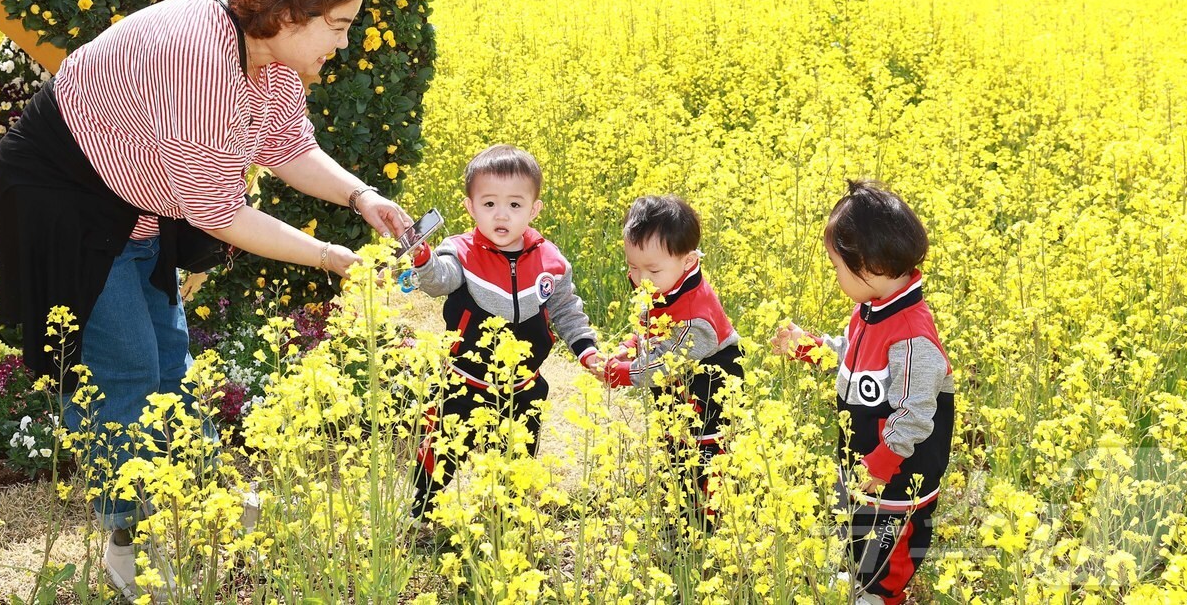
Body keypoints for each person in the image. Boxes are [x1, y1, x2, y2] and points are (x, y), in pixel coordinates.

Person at [0, 0, 412, 603]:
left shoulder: (267, 54)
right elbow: (220, 211)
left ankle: (199, 500)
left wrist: (361, 197)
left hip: (135, 196)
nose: (343, 41)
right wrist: (334, 258)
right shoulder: (202, 56)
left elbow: (286, 147)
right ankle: (132, 539)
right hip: (61, 196)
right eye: (337, 25)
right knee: (124, 362)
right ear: (290, 12)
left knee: (170, 350)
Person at [770, 180, 954, 605]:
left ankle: (882, 594)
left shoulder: (911, 335)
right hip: (865, 461)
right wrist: (811, 347)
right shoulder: (871, 311)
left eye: (837, 266)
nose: (835, 275)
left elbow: (915, 412)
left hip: (899, 474)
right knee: (857, 524)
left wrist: (883, 464)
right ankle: (857, 578)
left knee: (892, 538)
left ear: (870, 265)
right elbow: (852, 355)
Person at [405, 144, 603, 526]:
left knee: (516, 457)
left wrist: (586, 350)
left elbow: (565, 310)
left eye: (515, 205)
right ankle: (421, 509)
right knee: (442, 448)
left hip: (523, 384)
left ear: (534, 210)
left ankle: (502, 521)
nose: (501, 215)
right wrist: (422, 258)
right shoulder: (460, 252)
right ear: (470, 207)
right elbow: (438, 281)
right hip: (465, 381)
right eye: (490, 203)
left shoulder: (551, 261)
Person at [599, 194, 744, 517]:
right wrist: (629, 348)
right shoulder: (660, 283)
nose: (640, 280)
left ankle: (706, 527)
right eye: (632, 267)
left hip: (710, 389)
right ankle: (678, 515)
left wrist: (623, 372)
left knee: (705, 454)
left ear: (689, 261)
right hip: (677, 386)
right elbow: (649, 330)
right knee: (675, 448)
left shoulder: (697, 317)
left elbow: (666, 363)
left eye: (651, 270)